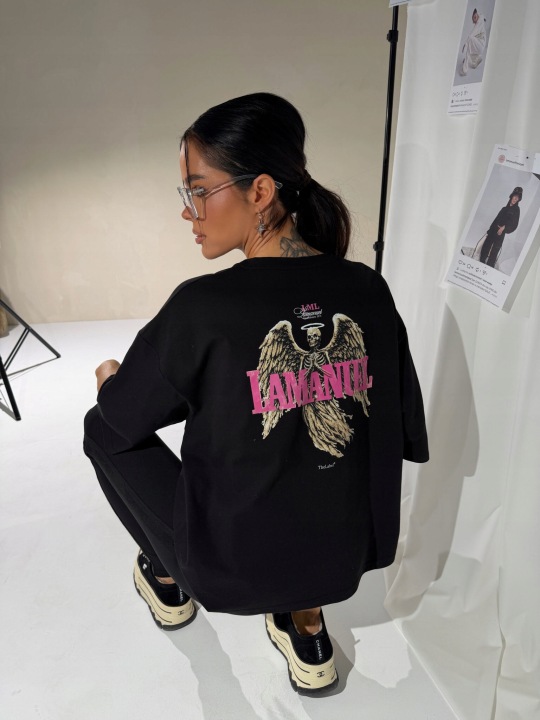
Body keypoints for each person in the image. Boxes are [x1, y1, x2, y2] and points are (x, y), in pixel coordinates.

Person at [83, 92, 429, 696]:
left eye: (198, 190)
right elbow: (401, 428)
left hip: (232, 573)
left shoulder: (203, 307)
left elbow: (125, 416)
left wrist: (112, 378)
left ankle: (166, 576)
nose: (188, 212)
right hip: (346, 559)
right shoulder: (367, 290)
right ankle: (305, 622)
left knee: (101, 424)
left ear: (261, 191)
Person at [479, 186, 522, 268]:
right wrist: (489, 230)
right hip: (494, 229)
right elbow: (496, 220)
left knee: (495, 250)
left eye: (517, 198)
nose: (515, 199)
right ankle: (481, 261)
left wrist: (504, 228)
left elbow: (514, 224)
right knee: (486, 245)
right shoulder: (504, 208)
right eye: (514, 196)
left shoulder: (517, 210)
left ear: (519, 199)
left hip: (501, 232)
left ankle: (489, 266)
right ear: (511, 196)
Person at [459, 8, 487, 77]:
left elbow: (471, 35)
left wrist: (465, 44)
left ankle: (464, 70)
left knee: (470, 40)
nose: (473, 22)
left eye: (474, 19)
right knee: (471, 45)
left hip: (481, 45)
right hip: (481, 44)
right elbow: (482, 16)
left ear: (476, 16)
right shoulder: (481, 18)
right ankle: (476, 60)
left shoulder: (478, 23)